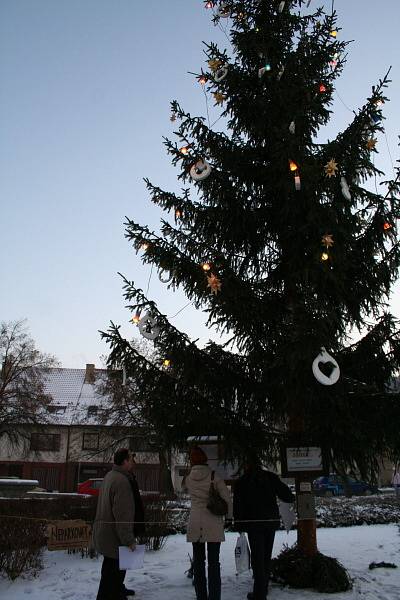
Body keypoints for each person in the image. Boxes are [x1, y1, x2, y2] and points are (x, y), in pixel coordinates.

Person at [233, 455, 294, 600]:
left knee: (257, 557)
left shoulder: (242, 482)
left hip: (253, 524)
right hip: (270, 522)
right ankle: (263, 587)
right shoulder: (270, 477)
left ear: (246, 465)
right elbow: (288, 496)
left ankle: (259, 592)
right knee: (266, 555)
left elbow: (238, 506)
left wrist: (239, 524)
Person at [182, 446, 233, 600]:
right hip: (213, 523)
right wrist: (229, 517)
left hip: (195, 523)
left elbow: (183, 489)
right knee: (213, 562)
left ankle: (201, 596)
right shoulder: (214, 476)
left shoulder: (188, 478)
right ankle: (214, 597)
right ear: (205, 459)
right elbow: (227, 499)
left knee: (198, 562)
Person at [93, 448, 136, 600]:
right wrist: (129, 541)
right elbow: (122, 515)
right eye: (131, 458)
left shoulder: (110, 476)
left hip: (106, 535)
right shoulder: (122, 481)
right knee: (111, 579)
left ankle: (116, 593)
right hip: (115, 539)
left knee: (109, 575)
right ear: (124, 461)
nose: (133, 461)